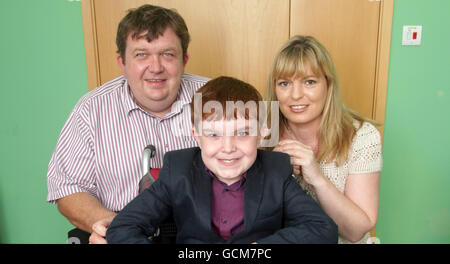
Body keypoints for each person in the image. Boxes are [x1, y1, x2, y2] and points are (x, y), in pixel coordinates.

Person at [46, 4, 209, 244]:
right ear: (122, 62)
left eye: (167, 54)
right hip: (116, 224)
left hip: (203, 230)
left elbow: (259, 169)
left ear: (184, 59)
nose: (155, 67)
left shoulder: (218, 98)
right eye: (141, 54)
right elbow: (68, 190)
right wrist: (118, 229)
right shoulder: (91, 109)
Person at [105, 76, 338, 244]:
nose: (228, 148)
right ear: (196, 135)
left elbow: (323, 229)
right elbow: (123, 227)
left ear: (261, 134)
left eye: (243, 133)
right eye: (214, 134)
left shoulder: (276, 170)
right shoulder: (178, 168)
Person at [264, 35, 382, 244]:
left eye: (309, 82)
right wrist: (272, 172)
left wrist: (317, 177)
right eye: (284, 83)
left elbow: (355, 232)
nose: (296, 95)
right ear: (275, 89)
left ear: (328, 85)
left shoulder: (362, 136)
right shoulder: (261, 135)